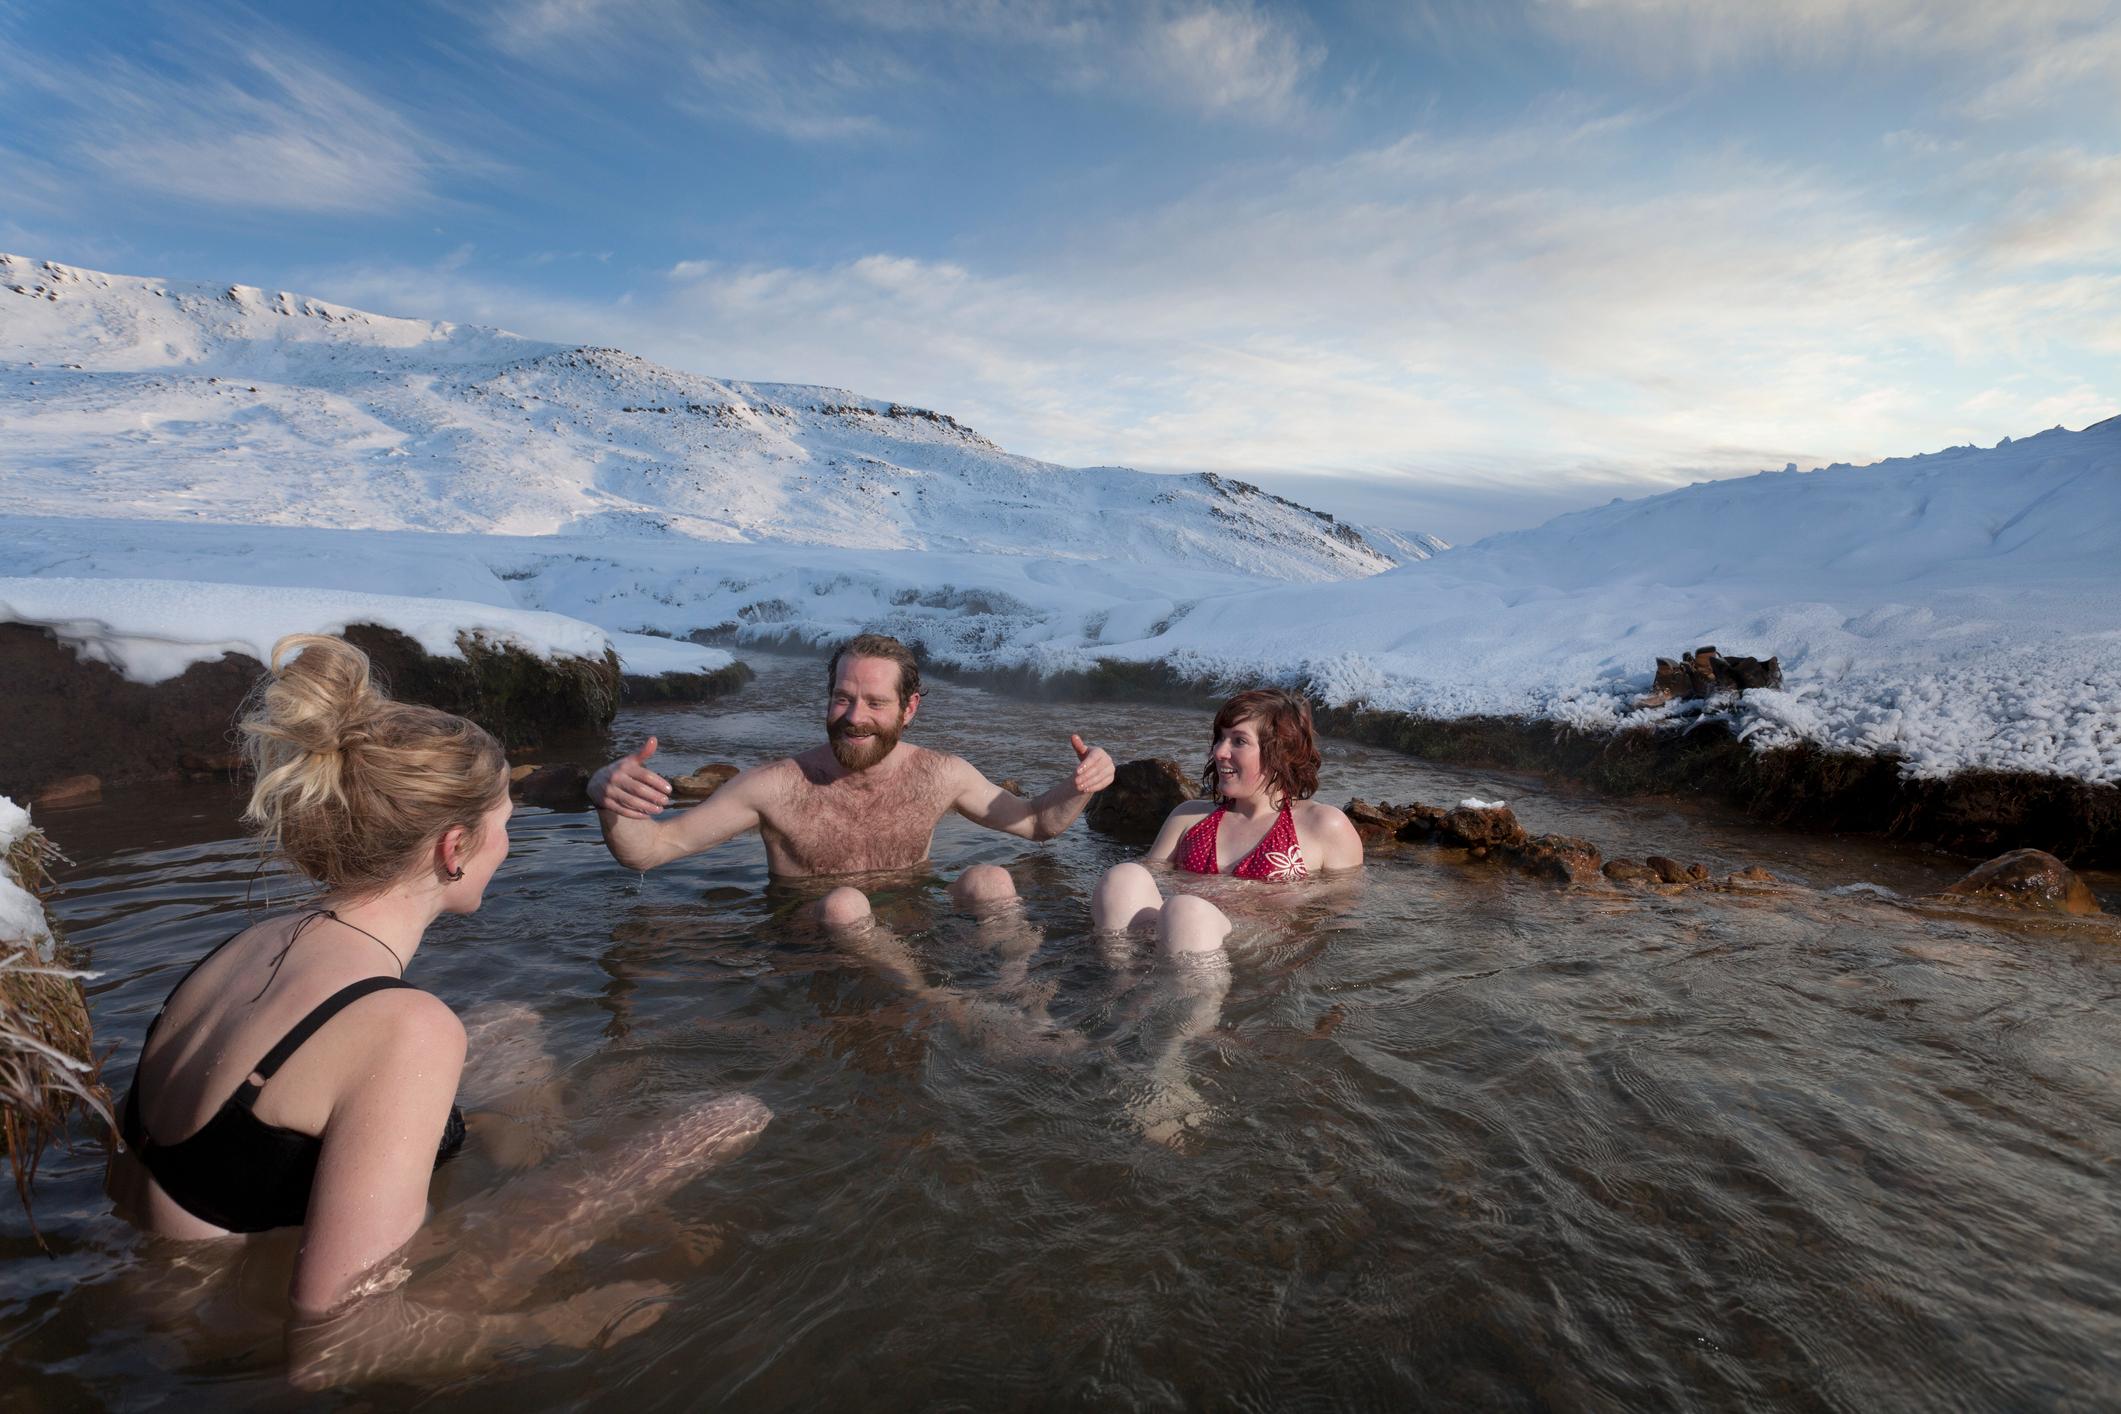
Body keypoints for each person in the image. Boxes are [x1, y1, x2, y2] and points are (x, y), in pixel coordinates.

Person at [106, 633, 770, 1385]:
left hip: (157, 1281)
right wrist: (563, 1324)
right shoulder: (405, 1029)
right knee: (726, 1118)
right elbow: (339, 1348)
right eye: (507, 825)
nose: (509, 845)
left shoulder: (257, 941)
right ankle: (548, 1154)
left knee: (508, 1027)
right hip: (224, 1334)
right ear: (454, 848)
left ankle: (538, 1142)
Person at [589, 633, 1115, 928]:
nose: (853, 716)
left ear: (909, 709)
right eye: (843, 698)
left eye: (875, 703)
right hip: (812, 943)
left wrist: (1084, 783)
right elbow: (650, 851)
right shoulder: (774, 785)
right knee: (845, 906)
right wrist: (608, 797)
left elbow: (1039, 824)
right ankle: (945, 1007)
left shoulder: (940, 773)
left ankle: (1019, 998)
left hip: (912, 922)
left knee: (992, 880)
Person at [1091, 687, 1364, 953]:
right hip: (1173, 939)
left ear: (1280, 751)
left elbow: (1340, 920)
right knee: (1123, 877)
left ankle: (1196, 998)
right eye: (1220, 738)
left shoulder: (1324, 825)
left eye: (1239, 741)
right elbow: (1148, 883)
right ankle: (1121, 985)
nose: (1219, 752)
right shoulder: (1188, 816)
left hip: (1256, 953)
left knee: (1187, 911)